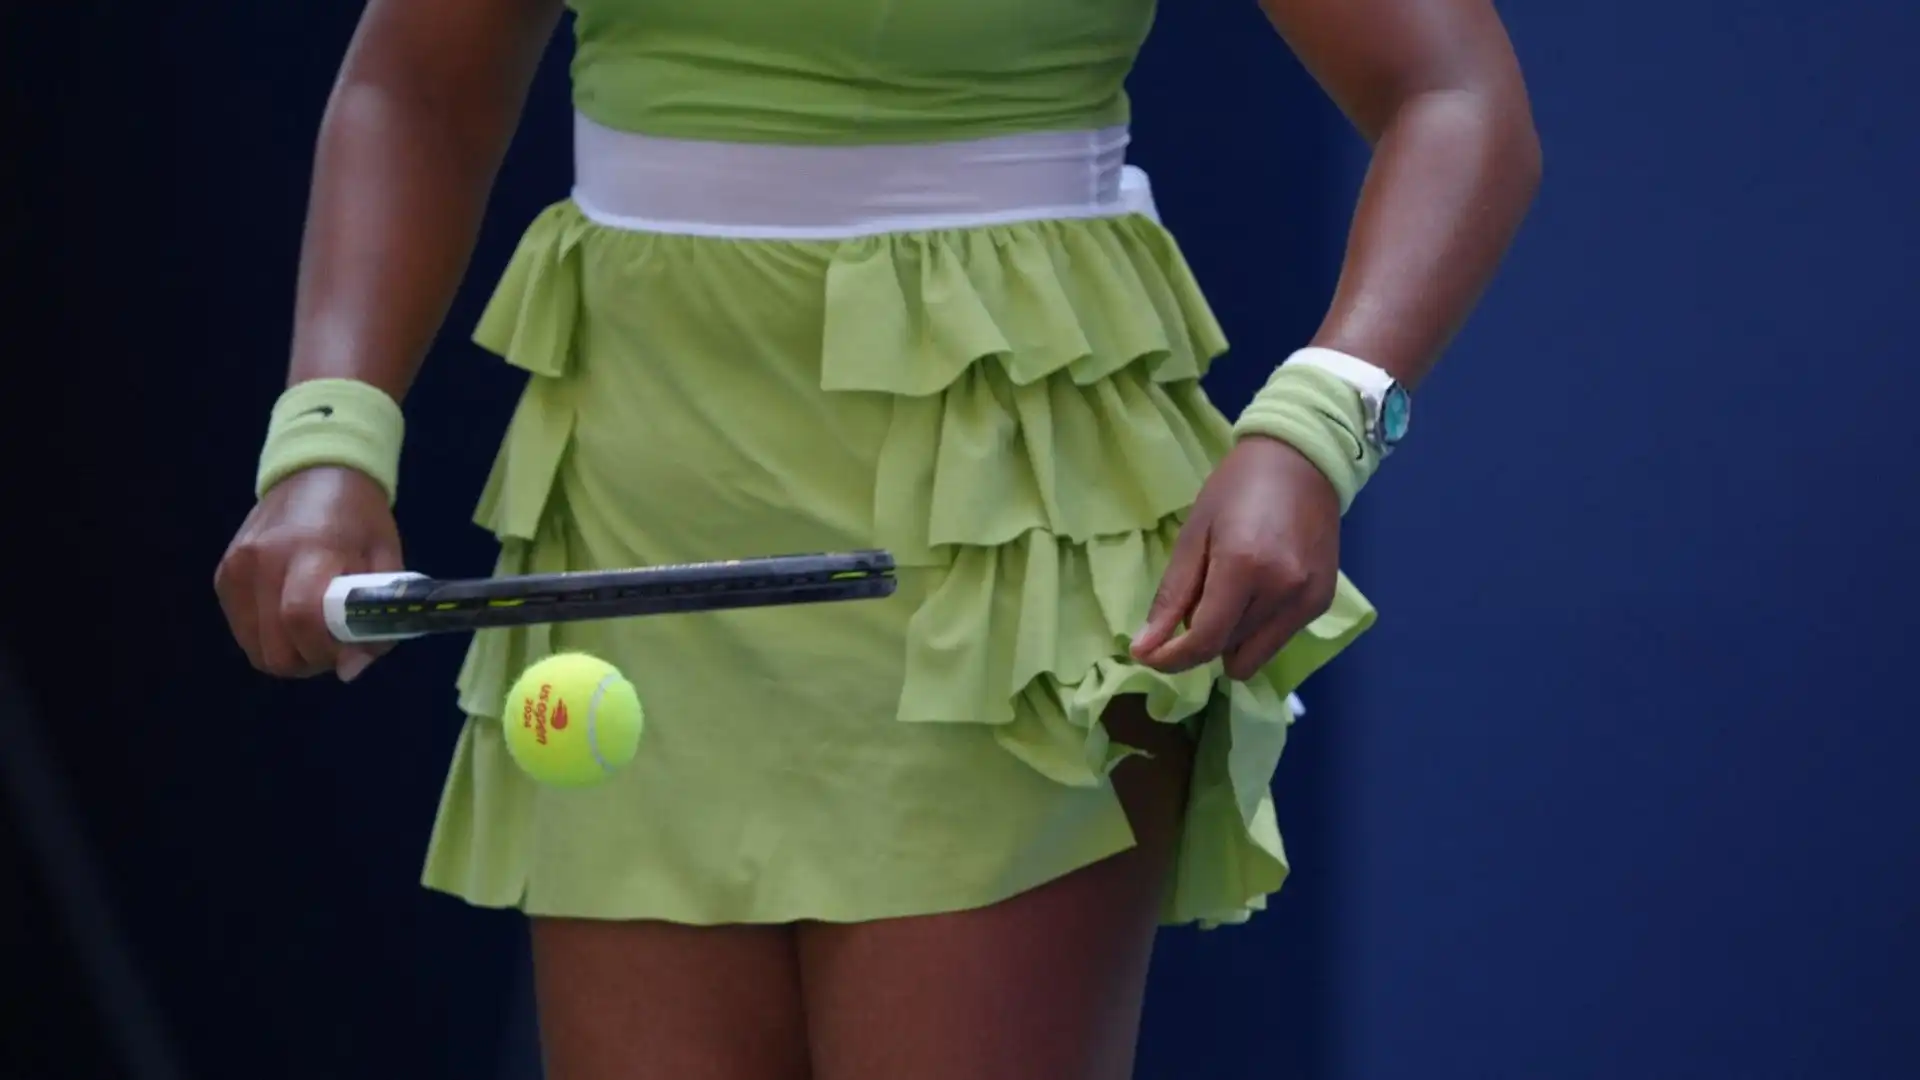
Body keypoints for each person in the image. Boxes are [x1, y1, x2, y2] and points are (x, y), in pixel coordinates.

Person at [213, 0, 1539, 1076]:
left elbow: (1456, 97)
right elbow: (413, 80)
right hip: (636, 501)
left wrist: (1316, 428)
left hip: (1010, 528)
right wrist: (329, 439)